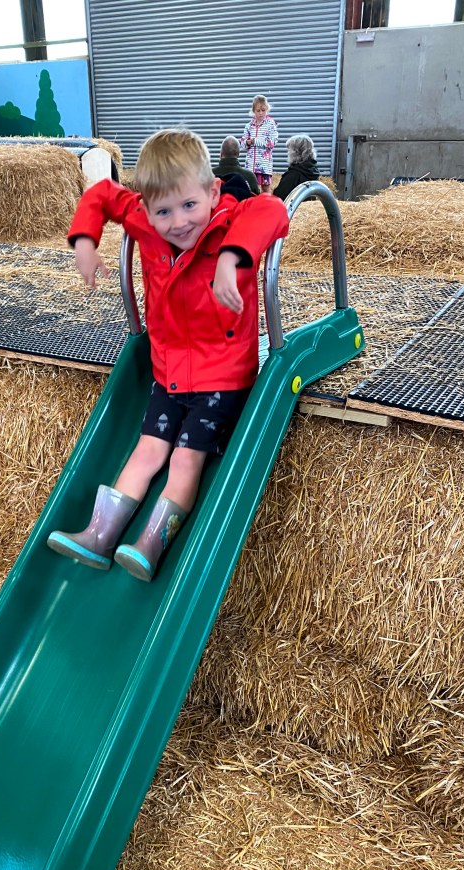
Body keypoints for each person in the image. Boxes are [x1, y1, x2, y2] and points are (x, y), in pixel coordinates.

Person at [47, 128, 288, 582]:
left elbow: (273, 209)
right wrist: (84, 241)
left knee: (184, 458)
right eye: (163, 212)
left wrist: (230, 256)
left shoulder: (231, 218)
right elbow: (101, 195)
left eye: (189, 205)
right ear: (146, 208)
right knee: (146, 451)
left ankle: (151, 543)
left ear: (212, 192)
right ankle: (100, 536)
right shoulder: (144, 221)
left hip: (223, 377)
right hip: (169, 372)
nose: (178, 222)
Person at [239, 95, 279, 194]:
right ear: (253, 111)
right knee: (251, 190)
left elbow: (272, 142)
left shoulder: (270, 124)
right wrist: (247, 142)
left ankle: (266, 204)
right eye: (258, 110)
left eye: (263, 110)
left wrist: (255, 141)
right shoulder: (248, 126)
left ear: (267, 109)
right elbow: (241, 144)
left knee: (265, 189)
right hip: (250, 166)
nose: (261, 113)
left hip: (264, 165)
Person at [273, 134, 320, 201]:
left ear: (296, 152)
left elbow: (279, 197)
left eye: (289, 150)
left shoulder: (293, 174)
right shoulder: (313, 171)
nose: (288, 152)